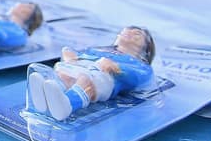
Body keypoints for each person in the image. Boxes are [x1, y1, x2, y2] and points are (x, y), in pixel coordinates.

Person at [27, 26, 156, 122]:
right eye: (127, 30)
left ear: (145, 48)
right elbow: (80, 54)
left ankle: (68, 104)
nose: (129, 33)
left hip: (100, 76)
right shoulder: (98, 50)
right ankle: (45, 97)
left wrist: (117, 67)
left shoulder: (136, 62)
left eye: (137, 35)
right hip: (77, 67)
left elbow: (141, 76)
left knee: (85, 80)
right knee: (62, 76)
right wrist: (70, 54)